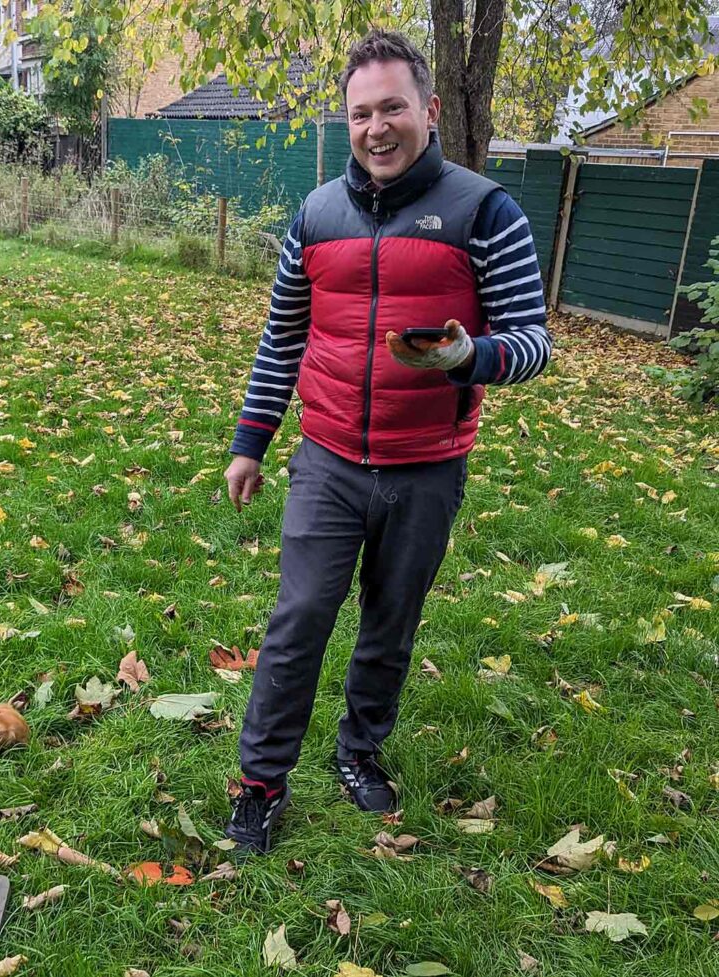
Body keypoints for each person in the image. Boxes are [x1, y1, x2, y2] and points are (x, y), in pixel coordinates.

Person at [222, 29, 553, 854]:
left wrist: (470, 356)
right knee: (299, 616)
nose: (377, 127)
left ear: (429, 110)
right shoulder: (316, 216)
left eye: (393, 108)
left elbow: (534, 343)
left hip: (427, 468)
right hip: (328, 458)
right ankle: (261, 783)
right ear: (348, 120)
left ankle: (359, 749)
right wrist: (251, 440)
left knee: (389, 621)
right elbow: (282, 337)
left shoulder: (487, 211)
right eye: (362, 112)